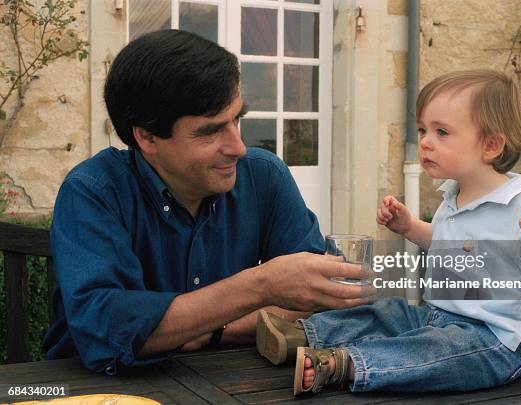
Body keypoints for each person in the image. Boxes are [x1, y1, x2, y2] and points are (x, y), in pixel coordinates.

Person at [42, 29, 373, 374]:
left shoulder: (263, 176)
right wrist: (261, 286)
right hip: (94, 390)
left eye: (237, 120)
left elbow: (311, 298)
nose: (238, 148)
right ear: (148, 136)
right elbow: (106, 328)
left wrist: (210, 330)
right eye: (211, 131)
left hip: (233, 379)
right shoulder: (93, 191)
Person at [256, 70, 521, 395]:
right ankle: (303, 335)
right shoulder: (454, 196)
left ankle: (344, 363)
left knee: (435, 351)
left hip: (497, 340)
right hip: (438, 317)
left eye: (442, 132)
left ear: (490, 145)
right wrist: (408, 226)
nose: (424, 141)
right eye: (423, 129)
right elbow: (442, 243)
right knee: (389, 312)